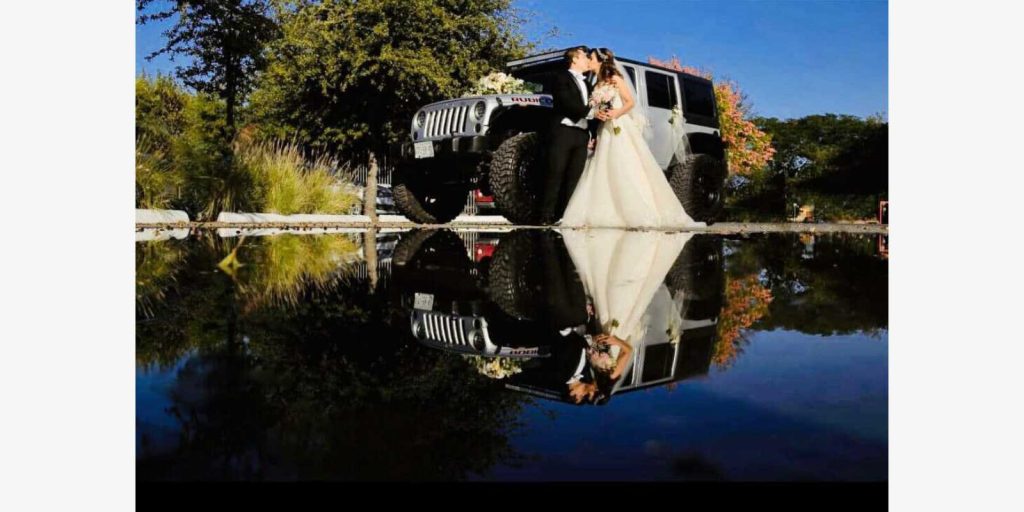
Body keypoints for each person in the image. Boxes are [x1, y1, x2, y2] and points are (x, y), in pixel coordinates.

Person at [561, 48, 704, 229]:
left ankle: (636, 211)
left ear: (600, 61)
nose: (588, 60)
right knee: (602, 167)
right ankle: (605, 210)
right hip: (604, 130)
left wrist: (616, 113)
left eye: (591, 57)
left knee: (624, 165)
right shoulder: (596, 84)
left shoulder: (615, 79)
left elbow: (630, 102)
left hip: (620, 127)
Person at [539, 46, 608, 226]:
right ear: (575, 59)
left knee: (575, 177)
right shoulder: (560, 78)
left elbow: (592, 107)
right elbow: (566, 103)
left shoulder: (587, 84)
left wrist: (593, 131)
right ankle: (545, 217)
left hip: (582, 134)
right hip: (563, 132)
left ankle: (566, 216)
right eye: (585, 56)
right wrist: (591, 113)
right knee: (555, 173)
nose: (587, 59)